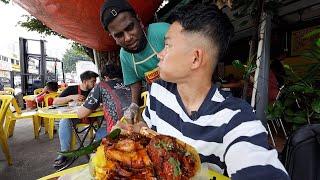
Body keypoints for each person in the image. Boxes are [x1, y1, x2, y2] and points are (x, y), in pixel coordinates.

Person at [117, 4, 289, 179]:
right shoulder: (158, 91)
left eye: (167, 45)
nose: (159, 54)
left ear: (195, 58)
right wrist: (135, 130)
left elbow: (260, 168)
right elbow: (148, 129)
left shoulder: (235, 119)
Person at [100, 0, 170, 121]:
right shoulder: (124, 55)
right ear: (112, 36)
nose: (127, 38)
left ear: (139, 20)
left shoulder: (163, 31)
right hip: (159, 103)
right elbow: (134, 82)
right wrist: (134, 105)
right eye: (119, 35)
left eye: (130, 27)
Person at [52, 71, 99, 167]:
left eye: (95, 81)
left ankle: (100, 149)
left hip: (94, 116)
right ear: (85, 81)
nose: (95, 84)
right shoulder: (72, 89)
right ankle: (64, 153)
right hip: (76, 117)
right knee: (64, 121)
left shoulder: (96, 90)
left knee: (104, 120)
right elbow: (55, 102)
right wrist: (71, 97)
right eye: (93, 81)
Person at [77, 64, 131, 134]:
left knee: (98, 133)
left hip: (118, 130)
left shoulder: (102, 85)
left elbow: (81, 114)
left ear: (106, 77)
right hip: (138, 127)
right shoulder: (131, 84)